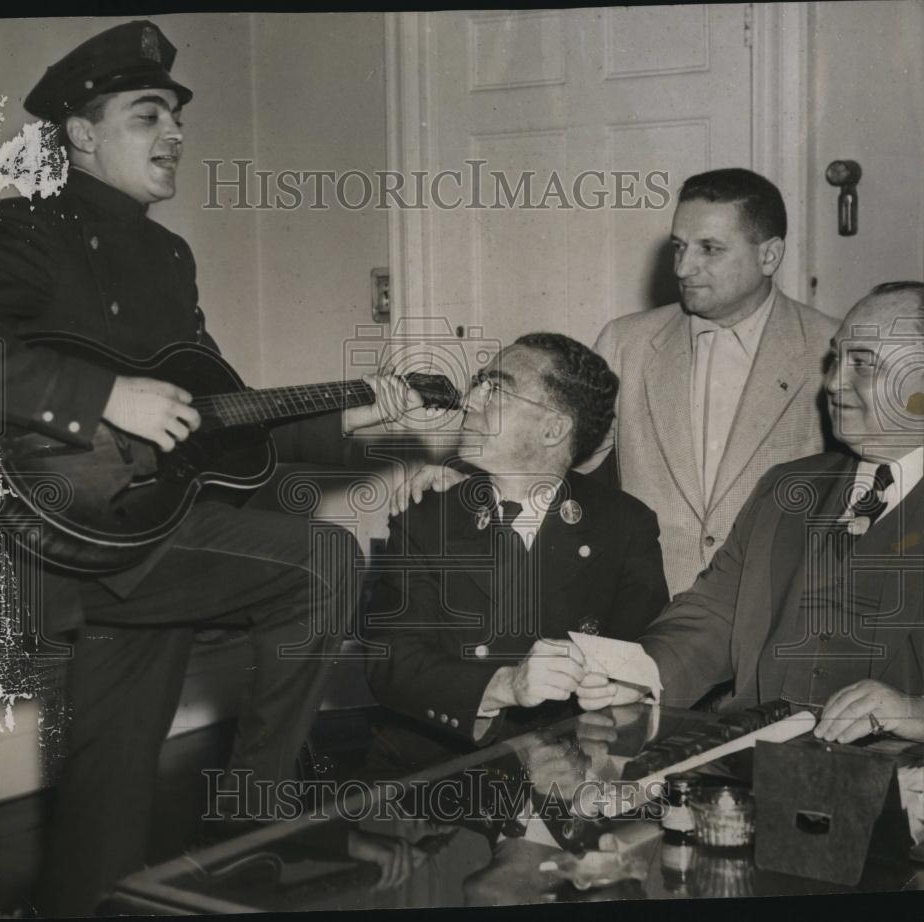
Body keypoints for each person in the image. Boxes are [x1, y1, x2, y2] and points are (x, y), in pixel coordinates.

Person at [0, 21, 423, 916]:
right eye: (146, 114)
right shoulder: (21, 227)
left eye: (176, 116)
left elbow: (223, 425)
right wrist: (101, 397)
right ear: (82, 134)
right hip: (74, 534)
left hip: (152, 529)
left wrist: (362, 415)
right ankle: (247, 829)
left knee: (104, 799)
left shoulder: (169, 256)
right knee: (323, 559)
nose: (173, 133)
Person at [395, 169, 838, 597]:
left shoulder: (829, 347)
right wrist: (468, 479)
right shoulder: (628, 341)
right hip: (652, 609)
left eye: (710, 249)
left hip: (776, 609)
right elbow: (562, 449)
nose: (684, 268)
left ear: (769, 255)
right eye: (679, 246)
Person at [577, 282, 924, 744]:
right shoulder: (784, 488)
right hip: (754, 769)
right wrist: (638, 673)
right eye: (837, 358)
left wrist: (913, 711)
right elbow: (713, 614)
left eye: (863, 363)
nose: (834, 381)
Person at [365, 333, 669, 767]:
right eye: (477, 383)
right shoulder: (428, 519)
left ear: (553, 428)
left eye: (496, 389)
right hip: (441, 780)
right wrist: (503, 685)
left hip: (567, 771)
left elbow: (649, 649)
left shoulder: (623, 526)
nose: (469, 400)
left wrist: (623, 685)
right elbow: (390, 663)